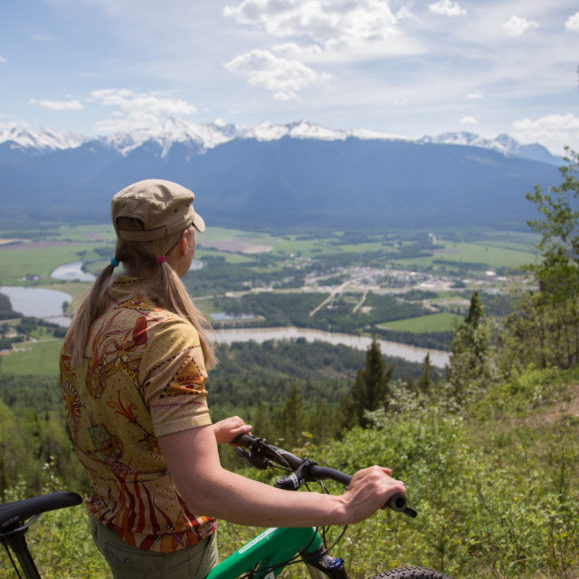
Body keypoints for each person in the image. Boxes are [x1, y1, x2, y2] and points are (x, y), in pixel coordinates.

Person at [59, 179, 406, 578]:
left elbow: (120, 431)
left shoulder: (92, 315)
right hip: (167, 543)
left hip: (116, 528)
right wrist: (344, 507)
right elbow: (203, 490)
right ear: (185, 242)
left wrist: (200, 436)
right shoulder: (166, 334)